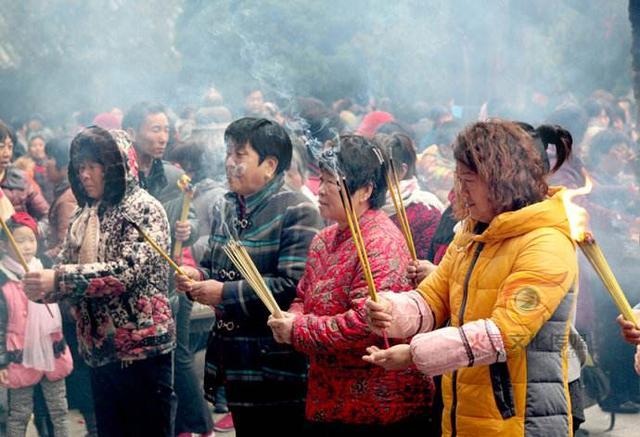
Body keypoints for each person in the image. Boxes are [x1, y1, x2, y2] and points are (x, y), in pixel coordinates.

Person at [363, 120, 577, 436]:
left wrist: (415, 353)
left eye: (468, 180)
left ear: (502, 180)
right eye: (459, 178)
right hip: (466, 414)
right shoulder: (471, 234)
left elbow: (505, 333)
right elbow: (433, 297)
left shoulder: (545, 242)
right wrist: (392, 312)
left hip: (521, 420)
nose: (460, 191)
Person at [267, 135, 435, 436]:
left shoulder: (380, 242)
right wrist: (291, 316)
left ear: (366, 190)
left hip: (377, 405)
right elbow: (304, 295)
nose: (320, 189)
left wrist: (298, 330)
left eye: (331, 181)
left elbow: (365, 324)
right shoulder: (324, 238)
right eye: (321, 178)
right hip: (328, 396)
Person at [23, 127, 176, 437]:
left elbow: (126, 272)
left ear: (116, 166)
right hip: (99, 351)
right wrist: (44, 286)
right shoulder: (84, 214)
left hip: (141, 351)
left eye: (93, 167)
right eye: (80, 168)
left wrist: (60, 278)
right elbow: (65, 268)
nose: (85, 175)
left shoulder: (144, 209)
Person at [176, 117, 323, 436]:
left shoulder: (298, 210)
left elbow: (291, 287)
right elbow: (217, 270)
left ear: (270, 165)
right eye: (228, 153)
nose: (230, 163)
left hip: (275, 364)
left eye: (239, 156)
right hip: (233, 358)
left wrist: (222, 293)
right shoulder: (225, 207)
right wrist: (196, 277)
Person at [122, 102, 209, 437]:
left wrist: (191, 229)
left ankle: (194, 425)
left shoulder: (175, 177)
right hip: (136, 284)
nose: (163, 137)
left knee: (179, 354)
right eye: (154, 129)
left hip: (173, 280)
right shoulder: (122, 180)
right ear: (131, 133)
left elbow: (195, 222)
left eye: (165, 129)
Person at [0, 212, 72, 437]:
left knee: (59, 409)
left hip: (51, 348)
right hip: (19, 353)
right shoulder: (3, 278)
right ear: (4, 244)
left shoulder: (46, 270)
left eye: (31, 240)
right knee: (19, 413)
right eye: (19, 241)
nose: (27, 246)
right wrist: (2, 361)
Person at [0, 121, 49, 228]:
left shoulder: (20, 179)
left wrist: (30, 232)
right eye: (1, 147)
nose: (7, 153)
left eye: (10, 147)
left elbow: (46, 215)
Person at [43, 137, 77, 261]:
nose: (45, 164)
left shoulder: (67, 200)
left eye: (49, 159)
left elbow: (65, 246)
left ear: (63, 165)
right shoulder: (65, 192)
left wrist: (42, 258)